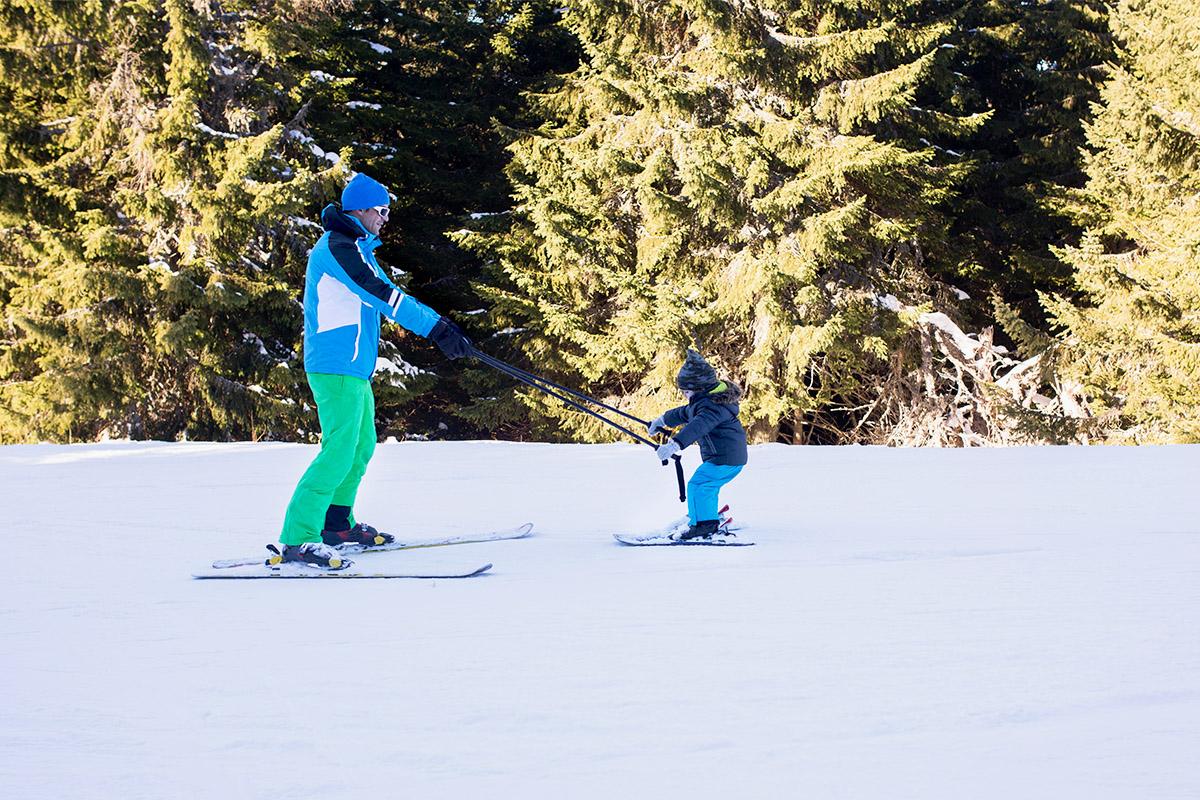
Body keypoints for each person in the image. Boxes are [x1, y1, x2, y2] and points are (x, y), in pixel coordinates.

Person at [278, 172, 473, 568]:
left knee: (361, 446)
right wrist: (434, 330)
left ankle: (336, 524)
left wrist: (443, 325)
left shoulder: (359, 248)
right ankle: (297, 538)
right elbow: (381, 294)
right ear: (361, 210)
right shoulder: (337, 248)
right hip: (334, 365)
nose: (385, 218)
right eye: (381, 211)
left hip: (354, 367)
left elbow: (393, 292)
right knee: (338, 451)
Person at [648, 349, 748, 540]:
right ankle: (705, 513)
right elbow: (686, 413)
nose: (685, 396)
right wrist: (661, 420)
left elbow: (697, 426)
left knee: (699, 485)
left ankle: (704, 525)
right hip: (726, 458)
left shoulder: (713, 408)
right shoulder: (707, 402)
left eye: (686, 391)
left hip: (725, 459)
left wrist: (674, 445)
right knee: (706, 486)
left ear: (699, 387)